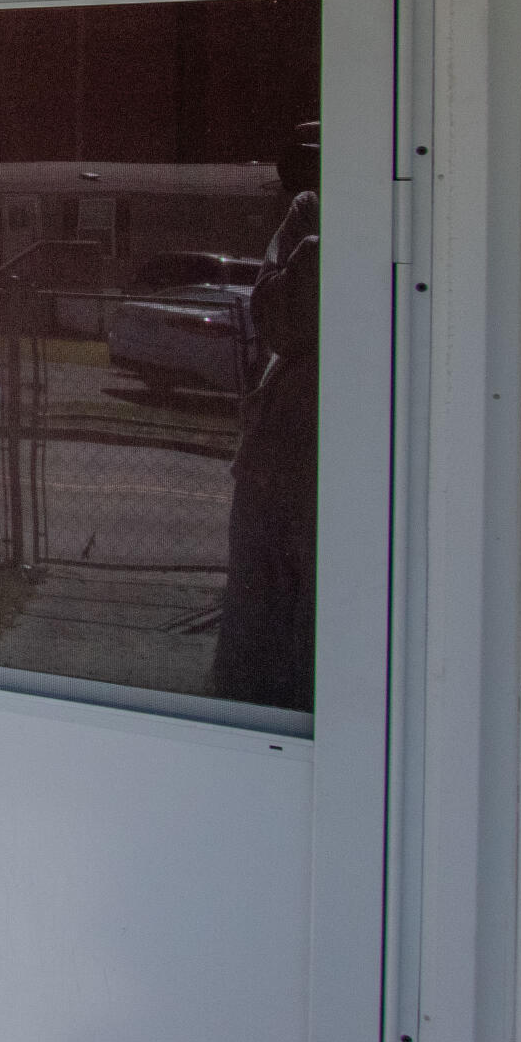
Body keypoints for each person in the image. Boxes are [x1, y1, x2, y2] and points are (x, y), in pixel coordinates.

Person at [213, 122, 319, 709]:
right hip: (282, 442)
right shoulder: (309, 213)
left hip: (341, 453)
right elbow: (274, 313)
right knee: (262, 589)